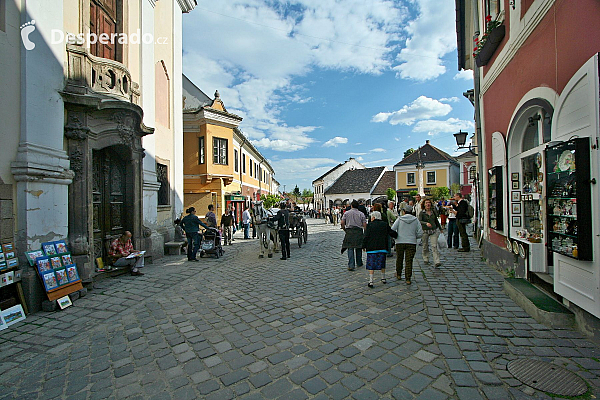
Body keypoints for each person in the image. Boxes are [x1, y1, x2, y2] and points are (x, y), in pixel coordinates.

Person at [362, 211, 398, 288]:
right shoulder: (384, 224)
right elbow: (391, 232)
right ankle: (383, 277)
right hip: (382, 247)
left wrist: (363, 246)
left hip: (371, 248)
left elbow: (366, 236)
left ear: (373, 217)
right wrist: (397, 235)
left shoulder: (370, 225)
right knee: (382, 262)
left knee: (371, 264)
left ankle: (371, 281)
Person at [391, 209, 423, 285]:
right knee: (409, 261)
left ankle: (398, 274)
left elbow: (392, 229)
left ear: (404, 212)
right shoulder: (415, 220)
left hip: (400, 241)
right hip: (411, 242)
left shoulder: (400, 219)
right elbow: (420, 232)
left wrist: (396, 237)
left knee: (399, 258)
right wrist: (414, 237)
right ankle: (408, 278)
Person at [341, 200, 367, 271]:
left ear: (351, 206)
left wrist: (344, 229)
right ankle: (359, 262)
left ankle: (351, 265)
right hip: (358, 231)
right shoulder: (361, 214)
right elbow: (364, 224)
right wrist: (365, 232)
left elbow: (342, 223)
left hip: (349, 231)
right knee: (359, 247)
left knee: (350, 247)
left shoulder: (346, 213)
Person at [419, 198, 443, 268]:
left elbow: (436, 220)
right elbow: (419, 221)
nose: (428, 204)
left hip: (433, 230)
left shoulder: (433, 212)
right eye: (426, 203)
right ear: (424, 204)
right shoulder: (422, 213)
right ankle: (426, 258)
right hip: (425, 231)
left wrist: (440, 228)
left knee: (434, 246)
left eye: (429, 203)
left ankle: (437, 261)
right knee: (425, 246)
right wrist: (426, 223)